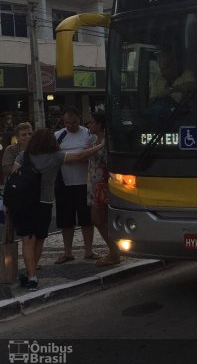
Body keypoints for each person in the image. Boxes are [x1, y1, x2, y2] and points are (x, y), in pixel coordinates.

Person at [12, 128, 104, 290]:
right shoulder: (56, 157)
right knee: (39, 239)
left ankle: (31, 276)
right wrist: (101, 145)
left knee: (27, 240)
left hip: (24, 203)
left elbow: (13, 175)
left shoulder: (23, 155)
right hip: (44, 203)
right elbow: (80, 156)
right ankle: (30, 274)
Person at [54, 106, 98, 264]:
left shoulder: (88, 134)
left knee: (87, 219)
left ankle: (88, 250)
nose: (70, 126)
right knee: (66, 220)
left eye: (73, 123)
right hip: (64, 183)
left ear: (78, 120)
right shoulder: (58, 136)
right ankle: (67, 252)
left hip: (84, 183)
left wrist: (83, 156)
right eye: (67, 123)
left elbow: (94, 154)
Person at [86, 110, 120, 267]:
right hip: (93, 184)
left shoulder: (108, 141)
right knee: (100, 220)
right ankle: (114, 250)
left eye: (92, 122)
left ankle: (114, 252)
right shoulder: (95, 139)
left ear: (100, 124)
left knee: (99, 219)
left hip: (102, 185)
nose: (89, 125)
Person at [2, 123, 33, 240]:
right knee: (10, 225)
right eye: (23, 134)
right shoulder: (12, 149)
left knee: (31, 226)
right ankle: (9, 254)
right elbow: (6, 168)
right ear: (17, 137)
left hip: (31, 191)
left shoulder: (36, 149)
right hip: (14, 191)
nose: (27, 137)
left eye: (30, 133)